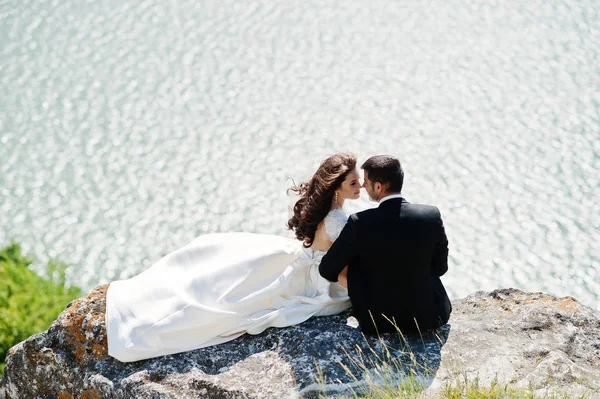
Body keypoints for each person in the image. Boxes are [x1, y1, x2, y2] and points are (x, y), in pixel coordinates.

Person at [105, 153, 360, 362]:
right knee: (235, 305)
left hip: (300, 257)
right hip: (315, 279)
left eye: (358, 181)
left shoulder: (326, 208)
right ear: (336, 187)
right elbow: (343, 269)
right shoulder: (338, 219)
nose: (360, 187)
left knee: (232, 283)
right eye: (353, 183)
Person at [319, 155, 451, 334]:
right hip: (431, 316)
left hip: (379, 322)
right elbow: (440, 268)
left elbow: (327, 269)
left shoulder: (360, 223)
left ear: (379, 187)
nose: (363, 186)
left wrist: (362, 283)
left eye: (366, 181)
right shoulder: (431, 215)